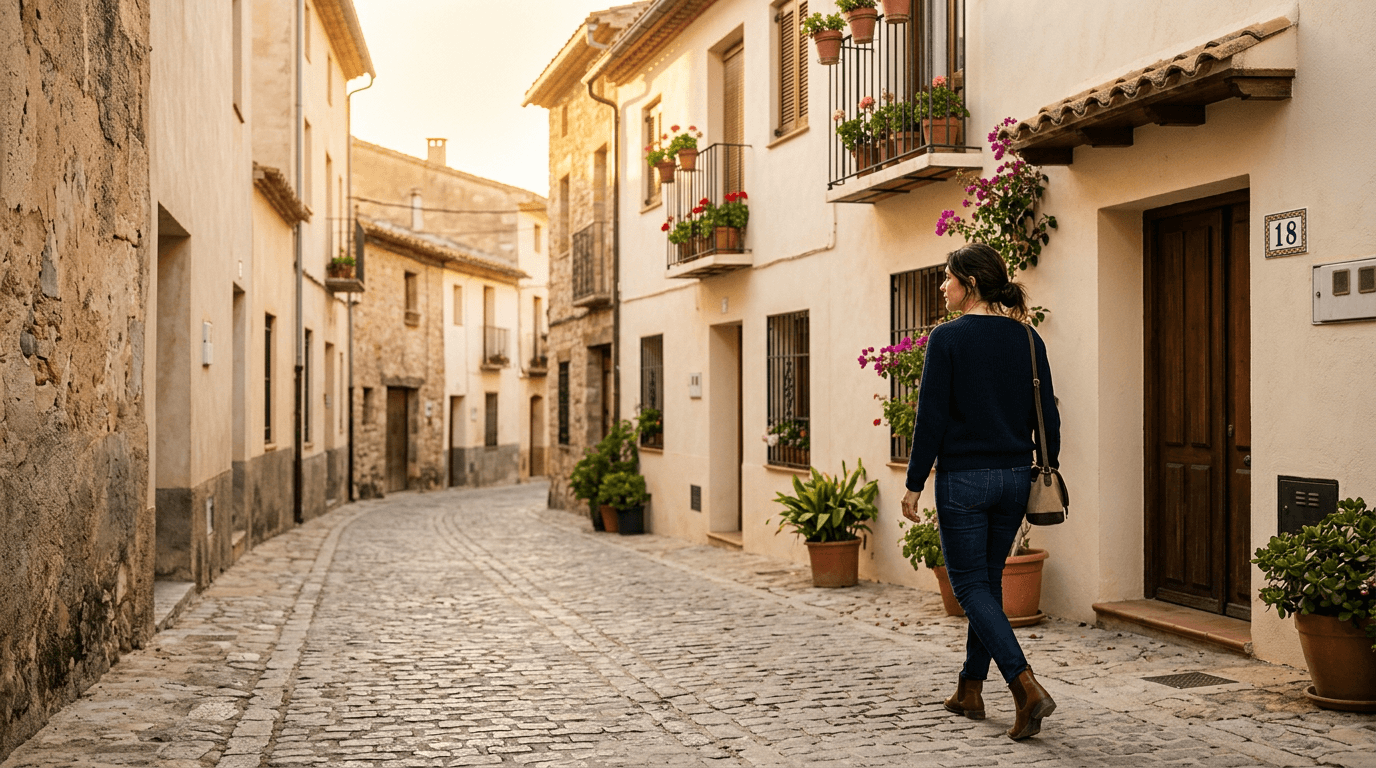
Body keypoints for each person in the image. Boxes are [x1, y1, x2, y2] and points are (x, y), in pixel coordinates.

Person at [899, 242, 1061, 741]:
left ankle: (1024, 685)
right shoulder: (1029, 339)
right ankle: (970, 687)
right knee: (987, 584)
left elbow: (931, 419)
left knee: (968, 586)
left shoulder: (947, 339)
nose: (942, 286)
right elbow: (1048, 415)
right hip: (1014, 478)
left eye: (947, 278)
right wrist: (1047, 465)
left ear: (969, 284)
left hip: (965, 480)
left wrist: (913, 483)